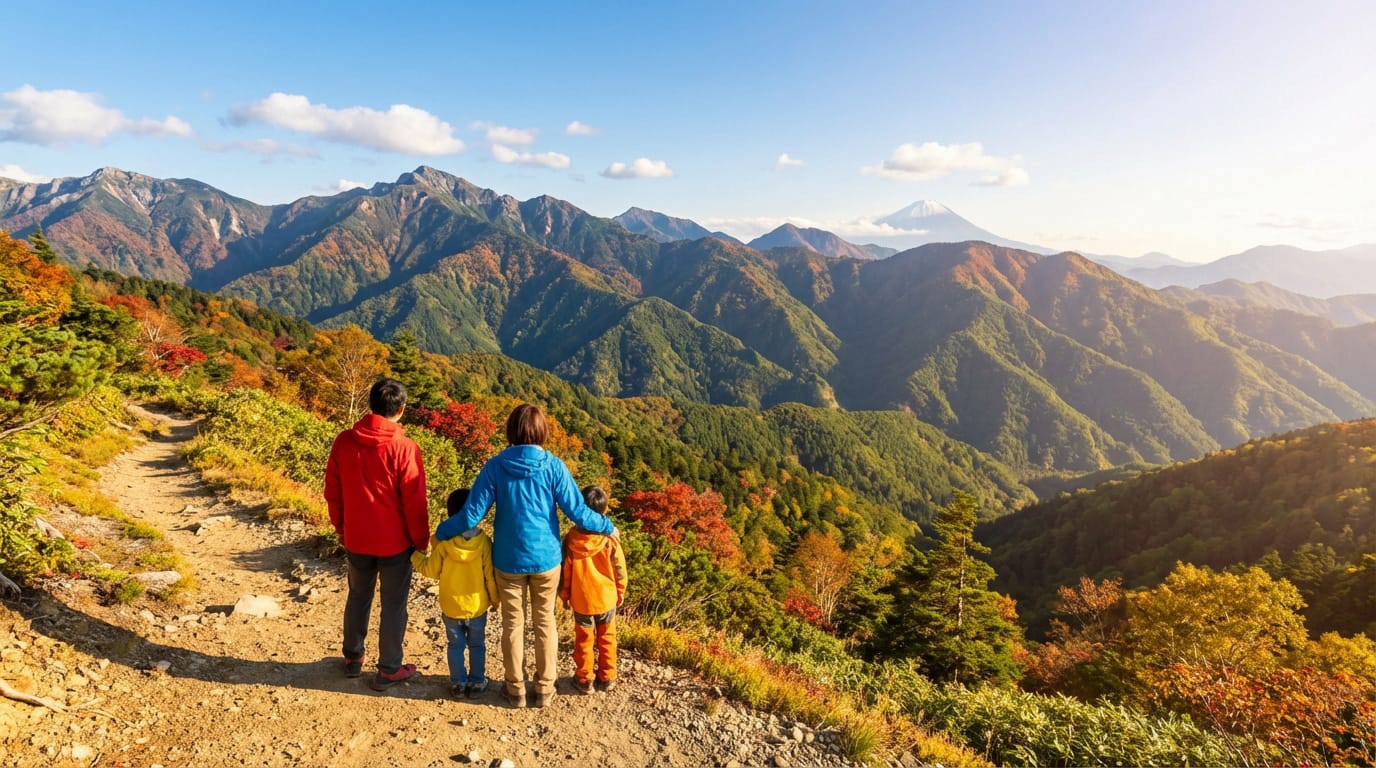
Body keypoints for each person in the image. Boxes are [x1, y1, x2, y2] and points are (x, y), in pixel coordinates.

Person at [435, 403, 616, 709]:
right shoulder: (554, 466)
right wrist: (608, 526)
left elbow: (470, 517)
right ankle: (545, 688)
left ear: (511, 431)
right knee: (545, 623)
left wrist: (440, 532)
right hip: (546, 559)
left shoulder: (495, 466)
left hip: (508, 560)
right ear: (541, 431)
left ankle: (515, 688)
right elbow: (578, 512)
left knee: (512, 625)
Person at [324, 378, 430, 692]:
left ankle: (353, 659)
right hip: (395, 543)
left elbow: (333, 491)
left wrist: (341, 527)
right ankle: (389, 669)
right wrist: (421, 541)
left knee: (358, 596)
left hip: (357, 537)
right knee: (394, 604)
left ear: (372, 404)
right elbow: (414, 501)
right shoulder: (404, 447)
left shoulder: (344, 441)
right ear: (401, 409)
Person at [411, 488, 499, 699]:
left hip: (451, 606)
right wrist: (495, 600)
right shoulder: (484, 543)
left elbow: (430, 571)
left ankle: (458, 683)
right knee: (477, 644)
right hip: (477, 605)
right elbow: (490, 575)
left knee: (455, 646)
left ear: (450, 515)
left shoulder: (445, 545)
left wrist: (414, 554)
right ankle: (477, 682)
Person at [559, 485, 627, 694]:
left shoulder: (571, 540)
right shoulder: (609, 539)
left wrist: (565, 595)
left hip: (581, 601)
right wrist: (620, 591)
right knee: (607, 638)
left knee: (583, 641)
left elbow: (566, 572)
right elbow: (620, 569)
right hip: (606, 598)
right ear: (604, 511)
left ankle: (584, 680)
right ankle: (606, 678)